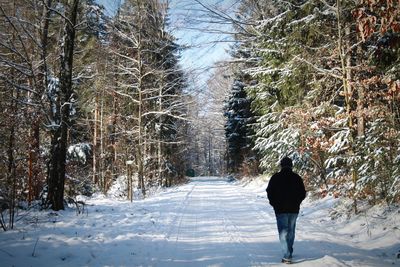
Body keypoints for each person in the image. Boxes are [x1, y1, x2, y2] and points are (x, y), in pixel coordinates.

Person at [266, 157, 306, 264]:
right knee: (291, 231)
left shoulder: (275, 177)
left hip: (280, 209)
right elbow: (303, 193)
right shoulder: (297, 177)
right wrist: (297, 202)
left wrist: (274, 203)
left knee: (283, 232)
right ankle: (289, 252)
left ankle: (287, 255)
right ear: (291, 165)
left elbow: (269, 191)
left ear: (281, 165)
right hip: (294, 209)